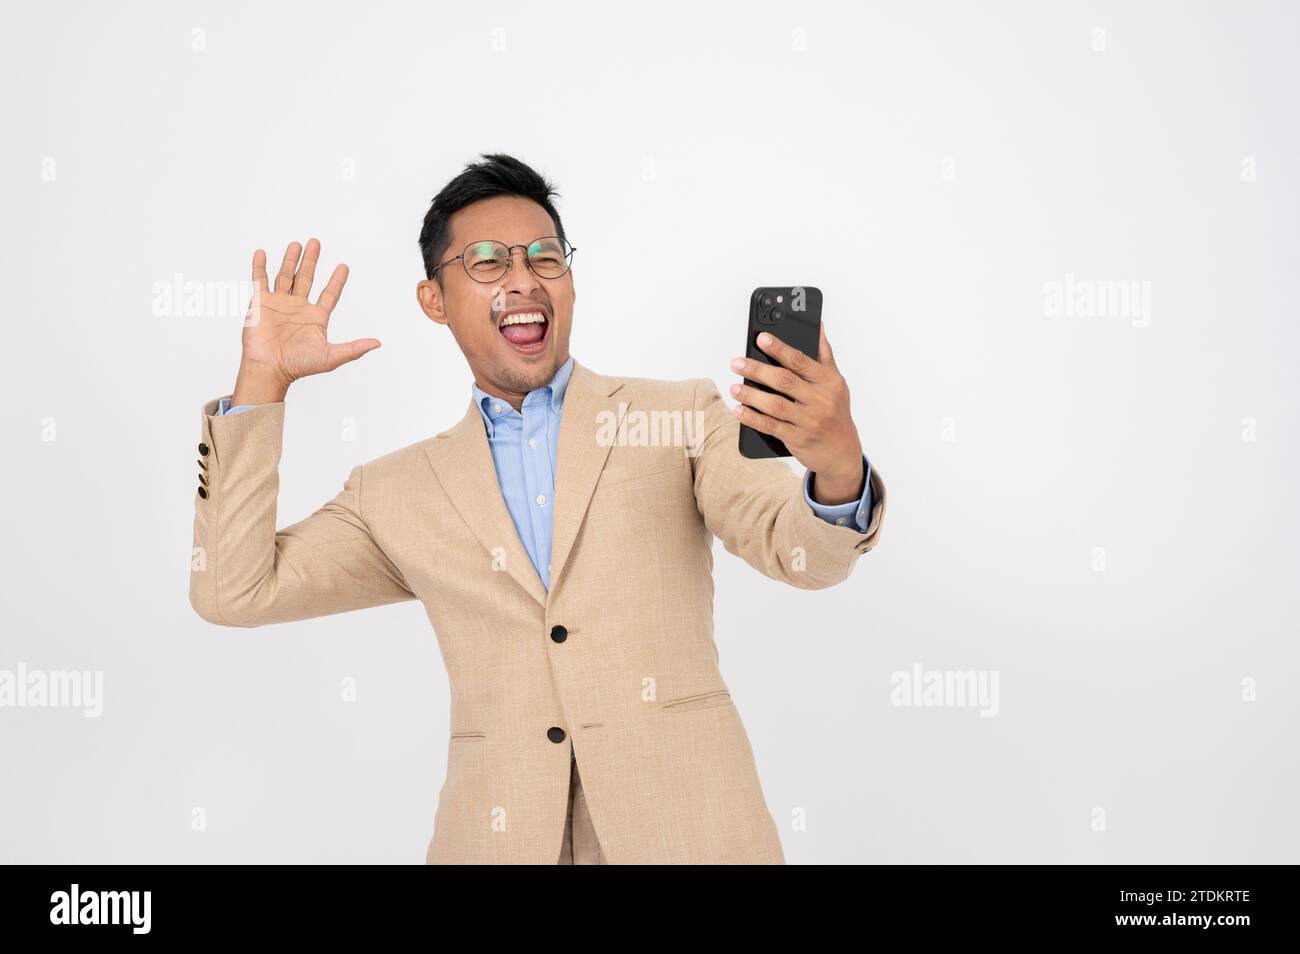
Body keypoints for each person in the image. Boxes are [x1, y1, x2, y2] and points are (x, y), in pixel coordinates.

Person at [188, 153, 886, 864]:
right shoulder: (392, 493)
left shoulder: (680, 416)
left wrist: (835, 466)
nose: (523, 278)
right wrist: (261, 382)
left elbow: (799, 553)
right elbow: (233, 590)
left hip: (690, 837)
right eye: (487, 261)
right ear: (435, 299)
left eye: (545, 258)